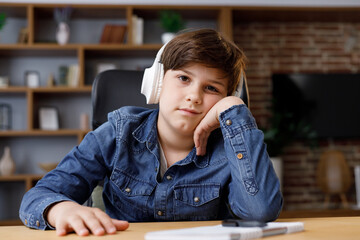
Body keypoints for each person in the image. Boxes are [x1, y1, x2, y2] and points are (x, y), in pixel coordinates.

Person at [19, 28, 283, 236]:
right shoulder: (117, 133)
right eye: (183, 78)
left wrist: (234, 109)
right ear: (157, 83)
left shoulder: (230, 148)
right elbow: (37, 197)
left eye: (212, 89)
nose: (194, 96)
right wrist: (59, 209)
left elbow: (259, 212)